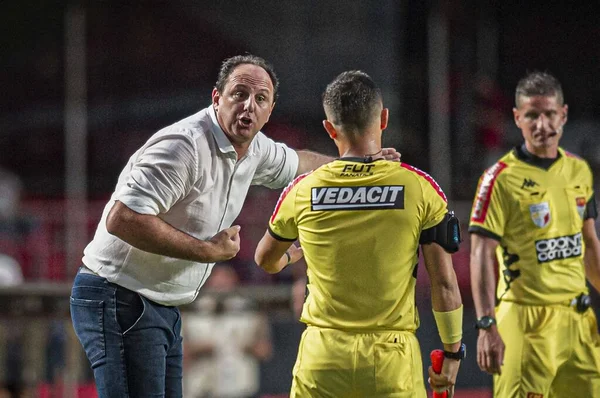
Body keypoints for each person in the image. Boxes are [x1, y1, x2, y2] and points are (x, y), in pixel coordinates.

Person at [69, 53, 400, 397]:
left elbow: (301, 162)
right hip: (119, 294)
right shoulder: (184, 146)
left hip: (157, 301)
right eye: (239, 94)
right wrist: (206, 250)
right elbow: (122, 218)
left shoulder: (254, 148)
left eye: (260, 99)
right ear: (217, 98)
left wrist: (357, 164)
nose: (249, 106)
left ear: (270, 110)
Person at [255, 70, 464, 397]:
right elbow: (445, 283)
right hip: (390, 360)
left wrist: (292, 255)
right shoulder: (419, 188)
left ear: (329, 128)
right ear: (383, 119)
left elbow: (264, 259)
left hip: (322, 359)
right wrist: (452, 354)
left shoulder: (302, 190)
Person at [469, 71, 600, 397]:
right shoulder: (498, 179)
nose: (542, 124)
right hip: (526, 323)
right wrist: (486, 325)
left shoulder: (579, 170)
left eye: (550, 114)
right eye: (532, 115)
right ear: (517, 118)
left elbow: (588, 243)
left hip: (579, 322)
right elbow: (480, 253)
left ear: (563, 114)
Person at [183, 264, 272, 398]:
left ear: (234, 282)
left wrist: (246, 346)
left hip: (240, 387)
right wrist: (200, 348)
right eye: (217, 280)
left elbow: (265, 350)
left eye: (226, 279)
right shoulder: (191, 311)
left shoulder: (250, 311)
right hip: (201, 386)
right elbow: (181, 353)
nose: (221, 285)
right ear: (208, 281)